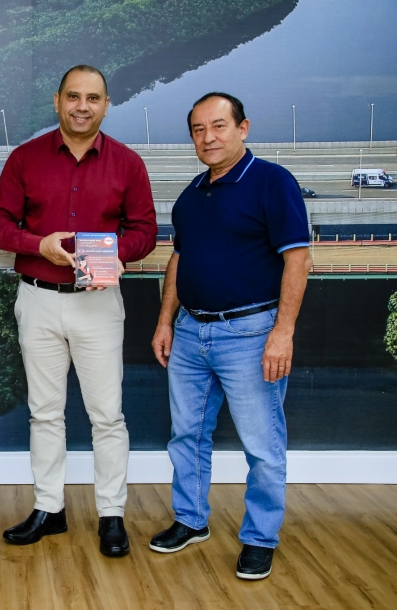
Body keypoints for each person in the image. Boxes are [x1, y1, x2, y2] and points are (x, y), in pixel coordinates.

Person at [0, 65, 157, 556]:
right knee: (45, 414)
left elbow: (145, 231)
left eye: (93, 98)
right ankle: (48, 508)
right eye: (74, 97)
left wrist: (110, 252)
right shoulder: (25, 158)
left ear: (106, 104)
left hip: (98, 302)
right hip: (37, 299)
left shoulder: (127, 163)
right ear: (57, 101)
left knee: (107, 416)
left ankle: (111, 514)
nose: (83, 106)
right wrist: (39, 243)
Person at [148, 93, 312, 581]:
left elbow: (297, 260)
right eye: (198, 129)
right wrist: (164, 321)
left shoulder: (272, 182)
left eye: (218, 126)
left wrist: (282, 333)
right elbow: (180, 259)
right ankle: (191, 520)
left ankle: (260, 538)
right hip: (190, 332)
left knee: (262, 445)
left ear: (243, 128)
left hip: (251, 334)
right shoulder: (192, 194)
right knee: (187, 435)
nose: (208, 137)